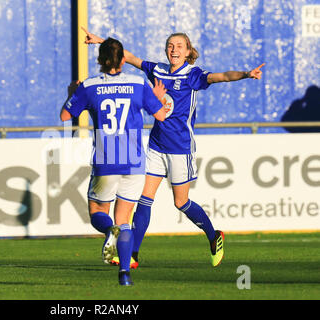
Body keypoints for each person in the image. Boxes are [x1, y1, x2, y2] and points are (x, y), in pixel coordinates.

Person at [83, 28, 264, 268]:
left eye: (179, 45)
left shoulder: (193, 75)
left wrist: (245, 74)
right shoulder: (157, 70)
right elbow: (130, 57)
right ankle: (133, 254)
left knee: (181, 203)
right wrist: (101, 42)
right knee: (144, 199)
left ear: (188, 51)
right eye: (170, 45)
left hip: (180, 148)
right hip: (156, 146)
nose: (174, 49)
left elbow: (221, 76)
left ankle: (214, 235)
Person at [60, 37, 166, 286]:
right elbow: (161, 115)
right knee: (124, 219)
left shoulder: (89, 85)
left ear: (100, 59)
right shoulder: (139, 83)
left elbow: (66, 115)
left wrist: (73, 94)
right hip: (134, 161)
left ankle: (110, 232)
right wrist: (157, 97)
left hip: (106, 159)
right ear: (122, 59)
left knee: (98, 212)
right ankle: (125, 274)